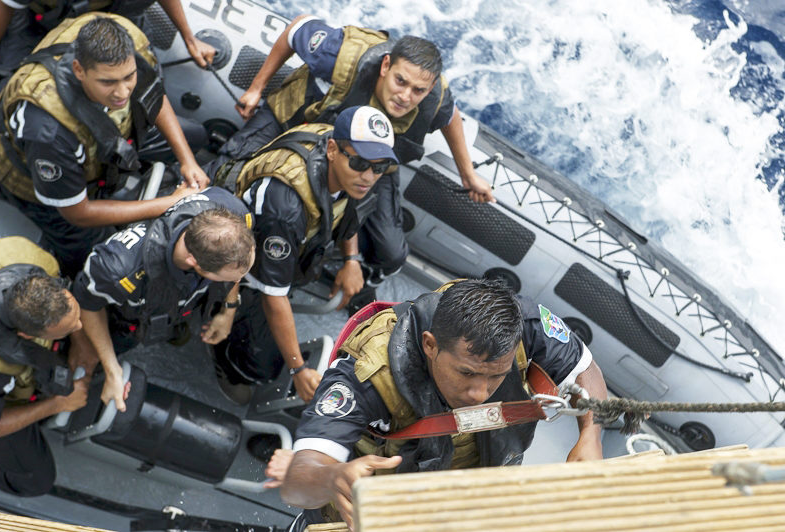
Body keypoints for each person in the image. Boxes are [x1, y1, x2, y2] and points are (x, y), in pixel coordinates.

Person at [275, 278, 607, 530]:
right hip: (367, 517)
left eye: (496, 376)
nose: (480, 394)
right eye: (467, 373)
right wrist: (331, 477)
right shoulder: (366, 374)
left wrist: (590, 436)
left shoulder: (521, 326)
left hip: (465, 499)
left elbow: (585, 368)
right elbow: (297, 482)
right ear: (430, 345)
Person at [220, 15, 494, 284]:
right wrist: (256, 87)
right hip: (291, 124)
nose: (405, 97)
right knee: (227, 182)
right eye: (400, 81)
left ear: (430, 87)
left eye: (418, 90)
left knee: (390, 253)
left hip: (364, 160)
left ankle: (339, 266)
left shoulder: (434, 95)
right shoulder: (339, 54)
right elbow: (296, 27)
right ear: (385, 66)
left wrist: (467, 174)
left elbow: (449, 115)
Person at [0, 14, 210, 277]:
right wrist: (168, 203)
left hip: (112, 133)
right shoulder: (48, 130)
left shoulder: (124, 42)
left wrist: (187, 161)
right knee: (105, 257)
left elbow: (151, 93)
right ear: (79, 70)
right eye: (108, 82)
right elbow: (78, 213)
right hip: (47, 187)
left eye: (128, 77)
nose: (123, 92)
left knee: (195, 137)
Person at [211, 105, 398, 405]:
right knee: (263, 364)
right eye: (360, 163)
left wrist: (351, 261)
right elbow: (273, 295)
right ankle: (228, 359)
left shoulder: (346, 169)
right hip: (236, 262)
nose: (368, 176)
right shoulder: (285, 207)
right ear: (332, 150)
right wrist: (298, 369)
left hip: (292, 238)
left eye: (379, 167)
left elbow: (348, 208)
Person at [71, 186, 254, 412]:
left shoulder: (234, 212)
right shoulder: (121, 270)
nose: (240, 280)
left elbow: (237, 266)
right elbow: (86, 303)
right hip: (126, 318)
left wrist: (229, 309)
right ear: (194, 263)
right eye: (232, 278)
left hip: (181, 305)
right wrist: (112, 369)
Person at [0, 239, 95, 497]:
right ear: (25, 336)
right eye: (70, 328)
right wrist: (56, 405)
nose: (80, 326)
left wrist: (81, 342)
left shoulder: (24, 262)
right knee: (36, 481)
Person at [0, 0, 214, 101]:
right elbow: (2, 9)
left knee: (145, 91)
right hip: (38, 24)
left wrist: (189, 37)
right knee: (5, 88)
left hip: (111, 19)